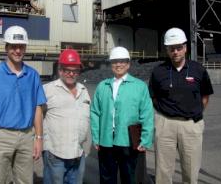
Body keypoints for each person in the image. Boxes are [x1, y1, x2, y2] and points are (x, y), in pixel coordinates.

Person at [0, 25, 47, 184]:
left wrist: (39, 138)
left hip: (27, 136)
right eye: (13, 46)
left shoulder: (33, 75)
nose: (18, 51)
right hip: (0, 137)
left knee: (25, 181)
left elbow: (37, 108)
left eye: (21, 47)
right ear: (6, 48)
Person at [149, 27, 214, 184]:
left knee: (191, 171)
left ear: (185, 47)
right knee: (163, 172)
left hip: (191, 125)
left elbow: (205, 96)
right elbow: (153, 97)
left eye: (179, 47)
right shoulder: (158, 72)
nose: (176, 52)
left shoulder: (198, 70)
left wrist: (192, 114)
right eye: (172, 48)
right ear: (167, 50)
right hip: (165, 124)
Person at [90, 46, 154, 184]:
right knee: (107, 178)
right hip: (106, 141)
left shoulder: (139, 86)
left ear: (128, 63)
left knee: (130, 178)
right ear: (110, 64)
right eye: (114, 61)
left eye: (122, 61)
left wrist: (146, 139)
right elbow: (95, 112)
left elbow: (147, 114)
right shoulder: (103, 86)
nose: (118, 64)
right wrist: (96, 137)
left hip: (129, 142)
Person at [42, 49, 91, 184]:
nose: (71, 74)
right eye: (67, 70)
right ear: (60, 70)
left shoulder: (83, 90)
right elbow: (36, 116)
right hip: (55, 154)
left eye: (75, 70)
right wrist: (40, 141)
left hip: (78, 154)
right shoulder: (47, 90)